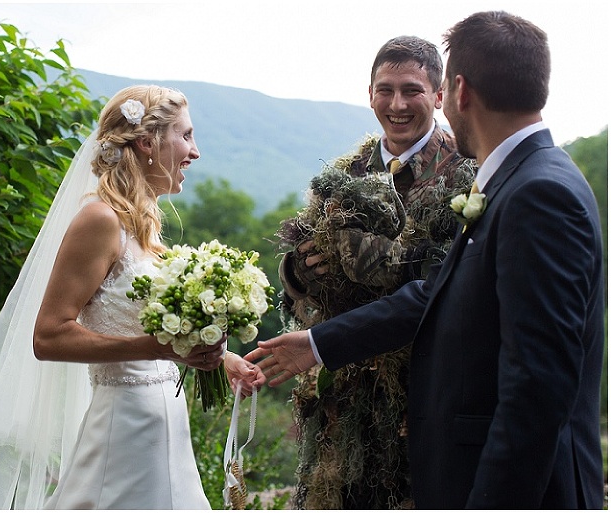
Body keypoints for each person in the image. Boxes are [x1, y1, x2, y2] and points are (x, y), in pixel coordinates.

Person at [248, 11, 605, 509]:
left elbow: (538, 389)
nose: (397, 104)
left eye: (413, 90)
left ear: (453, 92)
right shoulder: (524, 179)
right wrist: (319, 339)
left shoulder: (537, 193)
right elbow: (447, 293)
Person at [0, 85, 265, 509]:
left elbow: (150, 331)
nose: (195, 151)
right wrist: (156, 348)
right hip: (122, 430)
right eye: (186, 136)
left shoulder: (145, 226)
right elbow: (48, 337)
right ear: (147, 143)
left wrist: (222, 360)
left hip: (165, 431)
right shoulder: (99, 220)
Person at [276, 36, 474, 508]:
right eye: (385, 90)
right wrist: (299, 270)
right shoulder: (346, 173)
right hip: (340, 404)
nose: (397, 104)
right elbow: (295, 288)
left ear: (440, 96)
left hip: (426, 398)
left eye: (412, 90)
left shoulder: (467, 173)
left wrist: (376, 261)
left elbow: (453, 289)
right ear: (369, 94)